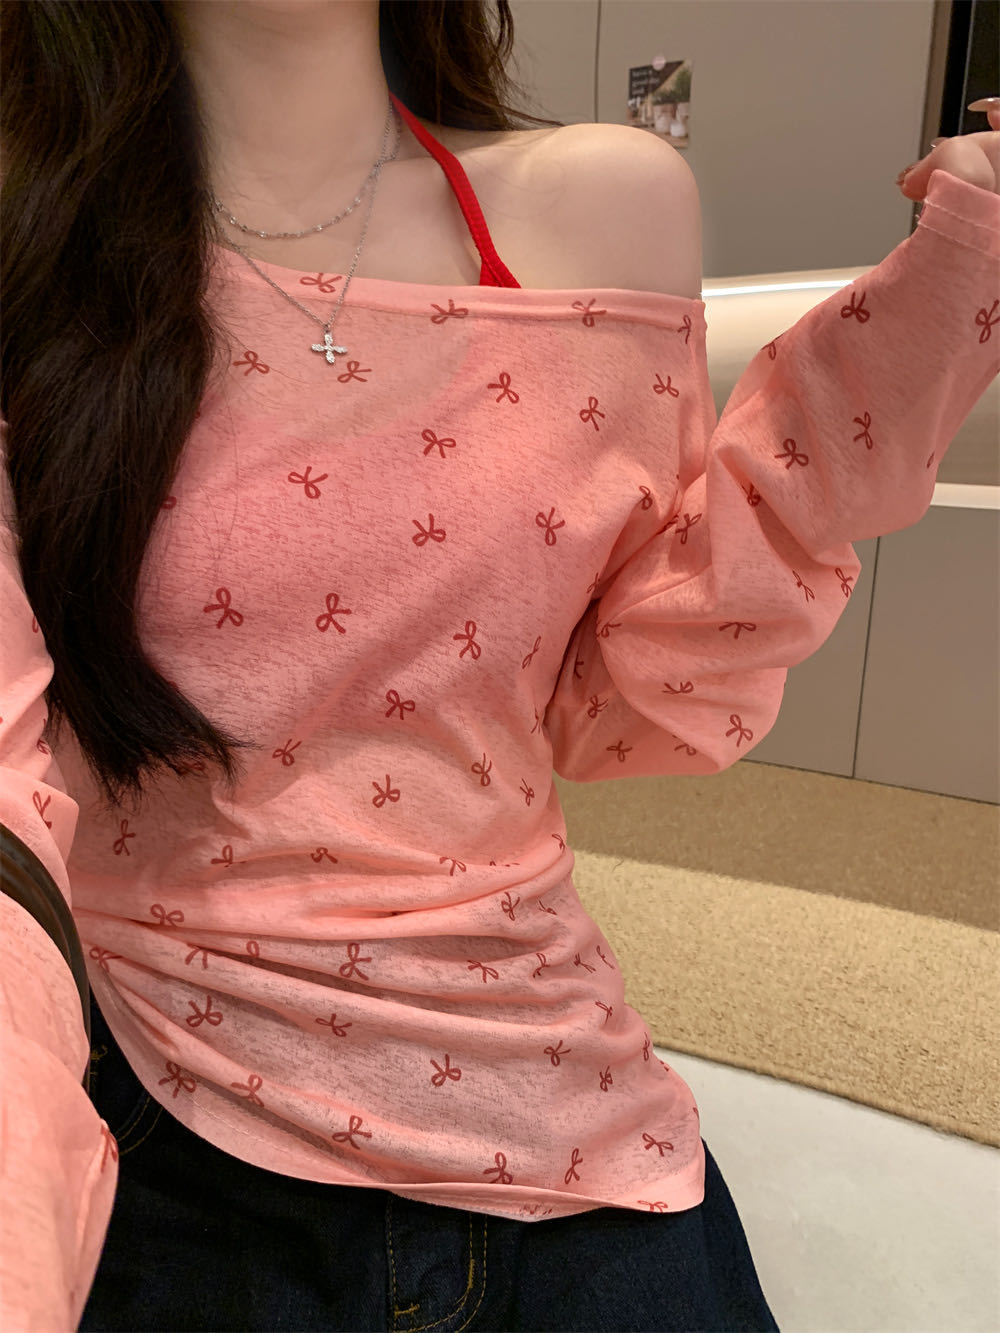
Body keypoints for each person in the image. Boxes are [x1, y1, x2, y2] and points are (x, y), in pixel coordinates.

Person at [1, 2, 996, 1330]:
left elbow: (627, 699)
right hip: (168, 1104)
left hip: (559, 1106)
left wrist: (920, 331)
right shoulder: (30, 252)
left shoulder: (606, 207)